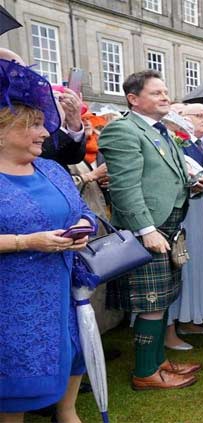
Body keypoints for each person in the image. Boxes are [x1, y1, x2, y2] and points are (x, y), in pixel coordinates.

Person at [98, 70, 203, 390]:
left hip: (169, 227)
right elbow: (124, 187)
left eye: (165, 91)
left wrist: (193, 185)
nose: (165, 97)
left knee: (163, 298)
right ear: (133, 99)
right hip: (148, 228)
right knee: (152, 301)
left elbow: (167, 176)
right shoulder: (122, 130)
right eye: (156, 93)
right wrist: (146, 229)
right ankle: (145, 372)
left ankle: (159, 361)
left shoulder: (162, 130)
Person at [0, 59, 95, 422]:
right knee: (15, 382)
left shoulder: (51, 168)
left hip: (63, 288)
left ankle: (68, 414)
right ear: (3, 130)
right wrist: (26, 242)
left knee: (72, 353)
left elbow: (83, 212)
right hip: (12, 299)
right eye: (35, 125)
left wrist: (84, 227)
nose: (45, 133)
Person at [162, 107, 203, 351]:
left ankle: (190, 318)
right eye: (199, 116)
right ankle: (169, 328)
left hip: (199, 209)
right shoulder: (174, 141)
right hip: (180, 213)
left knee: (195, 268)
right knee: (179, 267)